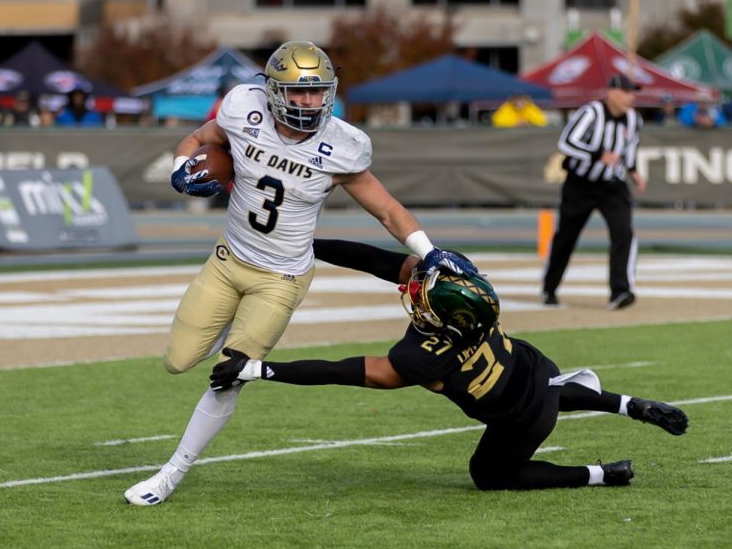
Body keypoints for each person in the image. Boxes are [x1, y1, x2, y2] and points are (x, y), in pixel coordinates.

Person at [124, 40, 474, 506]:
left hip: (282, 279)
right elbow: (199, 140)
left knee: (229, 372)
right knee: (178, 360)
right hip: (227, 261)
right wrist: (179, 169)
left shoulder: (343, 146)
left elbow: (387, 210)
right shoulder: (242, 110)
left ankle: (170, 474)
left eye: (317, 92)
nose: (309, 102)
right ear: (271, 92)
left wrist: (429, 252)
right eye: (298, 92)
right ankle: (226, 322)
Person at [208, 239, 689, 493]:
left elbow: (345, 370)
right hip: (533, 369)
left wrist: (257, 369)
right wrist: (307, 247)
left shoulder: (416, 357)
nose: (413, 290)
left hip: (521, 416)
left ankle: (600, 475)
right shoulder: (463, 288)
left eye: (421, 294)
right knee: (540, 385)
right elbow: (382, 263)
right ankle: (626, 404)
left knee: (489, 475)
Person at [541, 73, 645, 311]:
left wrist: (633, 170)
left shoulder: (633, 119)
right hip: (581, 184)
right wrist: (598, 154)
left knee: (624, 233)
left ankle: (621, 291)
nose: (632, 97)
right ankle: (549, 287)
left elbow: (630, 148)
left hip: (612, 185)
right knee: (566, 236)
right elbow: (566, 143)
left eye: (633, 92)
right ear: (612, 92)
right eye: (627, 92)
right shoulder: (591, 113)